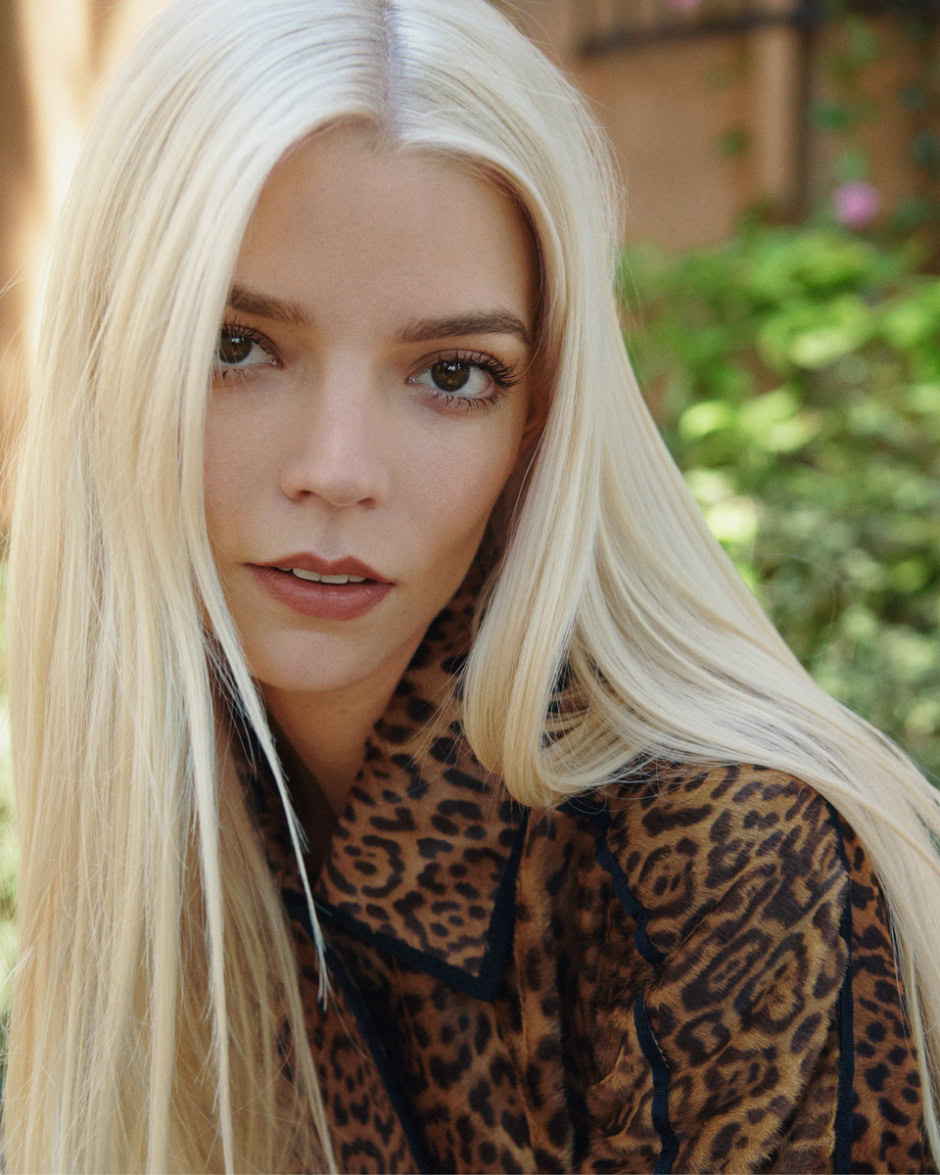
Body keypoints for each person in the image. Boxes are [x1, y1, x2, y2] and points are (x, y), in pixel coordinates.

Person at [2, 0, 938, 1171]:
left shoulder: (721, 858)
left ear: (537, 418)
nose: (336, 471)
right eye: (236, 347)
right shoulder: (190, 789)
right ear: (116, 359)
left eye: (451, 372)